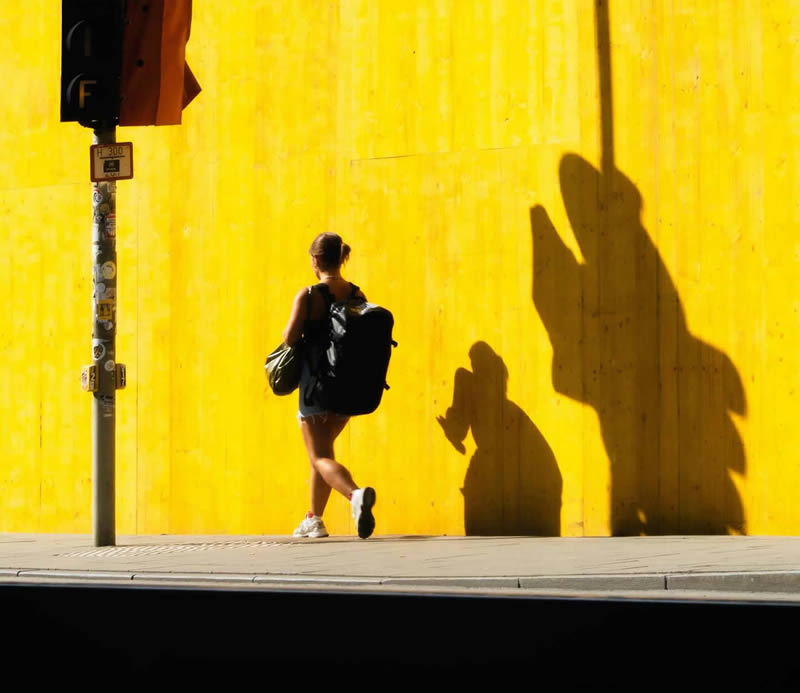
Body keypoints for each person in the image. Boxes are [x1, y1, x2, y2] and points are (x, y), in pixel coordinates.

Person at [282, 232, 377, 539]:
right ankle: (314, 519)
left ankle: (355, 496)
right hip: (348, 386)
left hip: (315, 385)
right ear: (342, 257)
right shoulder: (357, 294)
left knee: (319, 457)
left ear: (316, 260)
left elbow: (290, 338)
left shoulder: (309, 295)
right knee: (322, 453)